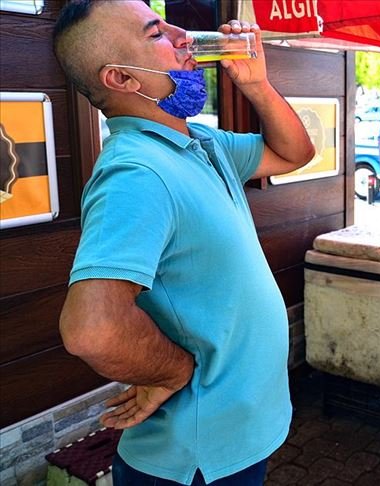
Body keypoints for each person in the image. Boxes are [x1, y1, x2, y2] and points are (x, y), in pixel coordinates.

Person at [53, 1, 315, 484]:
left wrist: (256, 84)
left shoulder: (202, 143)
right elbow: (92, 327)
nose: (184, 38)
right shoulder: (135, 173)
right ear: (122, 79)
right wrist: (170, 371)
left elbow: (294, 153)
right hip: (195, 460)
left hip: (232, 440)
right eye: (157, 34)